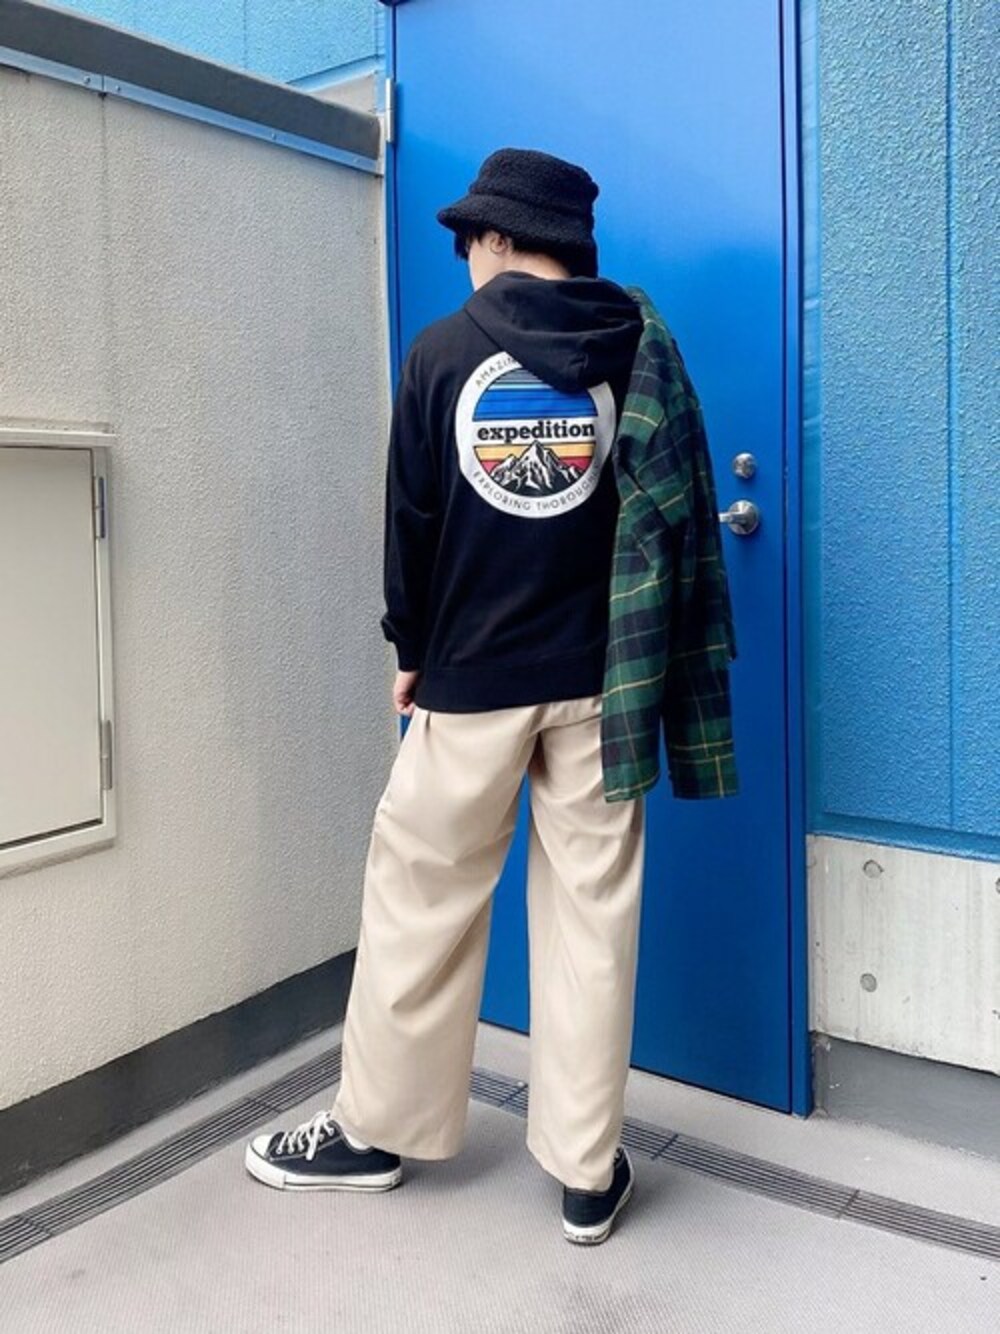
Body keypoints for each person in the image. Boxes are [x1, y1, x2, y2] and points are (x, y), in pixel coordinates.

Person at [245, 148, 652, 1246]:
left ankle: (377, 1134)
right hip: (599, 683)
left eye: (471, 239)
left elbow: (412, 520)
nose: (467, 258)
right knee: (592, 918)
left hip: (471, 677)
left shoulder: (440, 352)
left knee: (420, 899)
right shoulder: (634, 350)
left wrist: (411, 647)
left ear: (501, 238)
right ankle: (586, 1171)